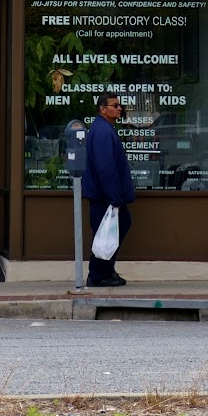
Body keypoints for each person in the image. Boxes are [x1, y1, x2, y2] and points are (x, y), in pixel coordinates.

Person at [84, 91, 135, 287]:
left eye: (119, 105)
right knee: (105, 233)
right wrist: (114, 196)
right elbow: (105, 167)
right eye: (115, 105)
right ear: (103, 109)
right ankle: (97, 275)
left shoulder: (104, 128)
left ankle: (106, 271)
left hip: (106, 195)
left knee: (113, 230)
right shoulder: (103, 131)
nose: (119, 108)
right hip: (105, 196)